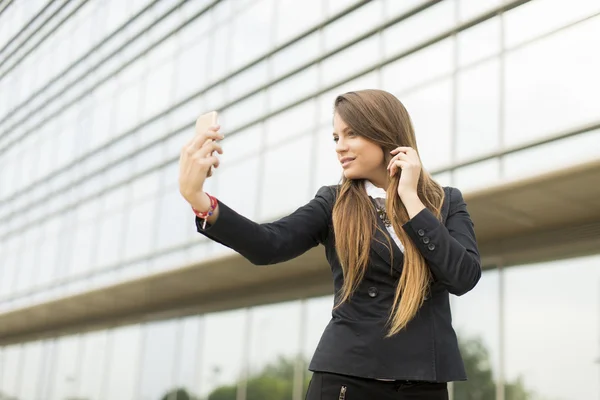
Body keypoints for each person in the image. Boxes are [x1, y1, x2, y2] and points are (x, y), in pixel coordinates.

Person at [178, 89, 481, 399]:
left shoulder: (444, 202)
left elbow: (463, 277)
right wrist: (199, 200)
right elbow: (268, 244)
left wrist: (410, 200)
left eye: (351, 134)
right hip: (347, 379)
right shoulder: (334, 203)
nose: (340, 147)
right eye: (336, 137)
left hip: (423, 385)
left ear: (384, 133)